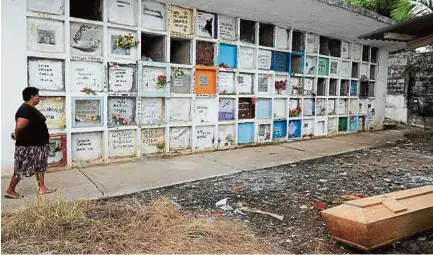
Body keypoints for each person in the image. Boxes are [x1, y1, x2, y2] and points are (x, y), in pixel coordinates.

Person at [5, 87, 56, 199]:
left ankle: (42, 188)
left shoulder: (30, 108)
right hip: (28, 147)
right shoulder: (25, 109)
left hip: (38, 146)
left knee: (40, 167)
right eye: (38, 95)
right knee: (20, 168)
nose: (39, 98)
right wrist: (16, 134)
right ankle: (10, 190)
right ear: (33, 96)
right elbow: (19, 126)